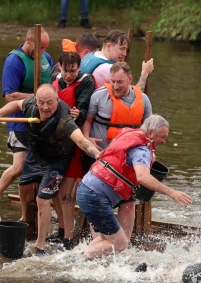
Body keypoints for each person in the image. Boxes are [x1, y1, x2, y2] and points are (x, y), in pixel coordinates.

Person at [0, 84, 101, 255]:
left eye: (49, 103)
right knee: (23, 187)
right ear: (35, 101)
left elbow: (80, 140)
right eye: (41, 103)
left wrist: (97, 154)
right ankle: (24, 218)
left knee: (42, 199)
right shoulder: (30, 105)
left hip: (57, 161)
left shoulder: (64, 119)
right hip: (35, 155)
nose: (45, 108)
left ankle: (40, 246)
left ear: (57, 101)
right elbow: (15, 105)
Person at [76, 114, 193, 260]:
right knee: (120, 244)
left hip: (85, 189)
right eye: (162, 137)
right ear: (150, 133)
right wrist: (171, 192)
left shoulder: (129, 134)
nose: (164, 142)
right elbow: (142, 177)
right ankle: (82, 261)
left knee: (107, 239)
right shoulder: (141, 150)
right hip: (95, 196)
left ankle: (77, 259)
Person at [0, 27, 53, 222]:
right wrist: (39, 98)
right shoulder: (14, 61)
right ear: (29, 40)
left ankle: (29, 215)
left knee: (39, 168)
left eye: (45, 48)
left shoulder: (47, 59)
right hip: (20, 123)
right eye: (39, 48)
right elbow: (10, 96)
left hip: (41, 124)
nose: (42, 53)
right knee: (20, 167)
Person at [81, 61, 152, 240]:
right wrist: (86, 138)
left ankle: (123, 244)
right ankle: (98, 241)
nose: (115, 86)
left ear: (130, 80)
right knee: (98, 199)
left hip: (125, 162)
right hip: (100, 157)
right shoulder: (99, 96)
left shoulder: (142, 100)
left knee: (127, 202)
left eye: (119, 82)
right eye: (112, 81)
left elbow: (149, 131)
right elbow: (87, 120)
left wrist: (149, 154)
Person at [47, 51, 95, 250]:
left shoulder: (86, 82)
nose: (69, 75)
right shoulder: (53, 80)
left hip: (73, 142)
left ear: (79, 68)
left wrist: (78, 113)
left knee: (66, 192)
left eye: (73, 71)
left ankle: (68, 239)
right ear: (59, 66)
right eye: (66, 71)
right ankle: (61, 229)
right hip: (54, 142)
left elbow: (83, 108)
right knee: (52, 191)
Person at [80, 30, 154, 91]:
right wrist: (145, 73)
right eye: (122, 49)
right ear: (109, 46)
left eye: (126, 50)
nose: (124, 54)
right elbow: (134, 95)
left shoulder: (90, 55)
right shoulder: (108, 69)